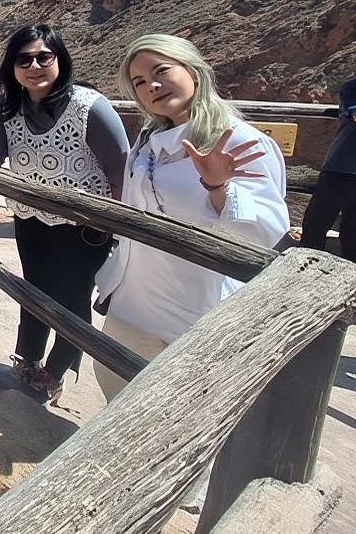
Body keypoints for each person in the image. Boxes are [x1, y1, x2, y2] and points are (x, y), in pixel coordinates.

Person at [94, 35, 289, 400]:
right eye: (138, 82)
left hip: (194, 313)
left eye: (161, 70)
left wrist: (218, 188)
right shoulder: (150, 139)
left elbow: (265, 232)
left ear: (193, 71)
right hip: (132, 303)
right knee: (115, 387)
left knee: (173, 411)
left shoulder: (238, 141)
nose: (151, 85)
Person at [0, 24, 129, 404]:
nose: (34, 66)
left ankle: (57, 369)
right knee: (34, 286)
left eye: (43, 57)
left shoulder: (88, 107)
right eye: (24, 59)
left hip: (84, 225)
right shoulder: (8, 108)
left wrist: (114, 225)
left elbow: (119, 170)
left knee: (71, 296)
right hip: (30, 216)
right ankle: (27, 357)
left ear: (59, 60)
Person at [299, 77, 356, 260]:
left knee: (352, 230)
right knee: (317, 223)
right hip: (341, 167)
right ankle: (302, 272)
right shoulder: (352, 87)